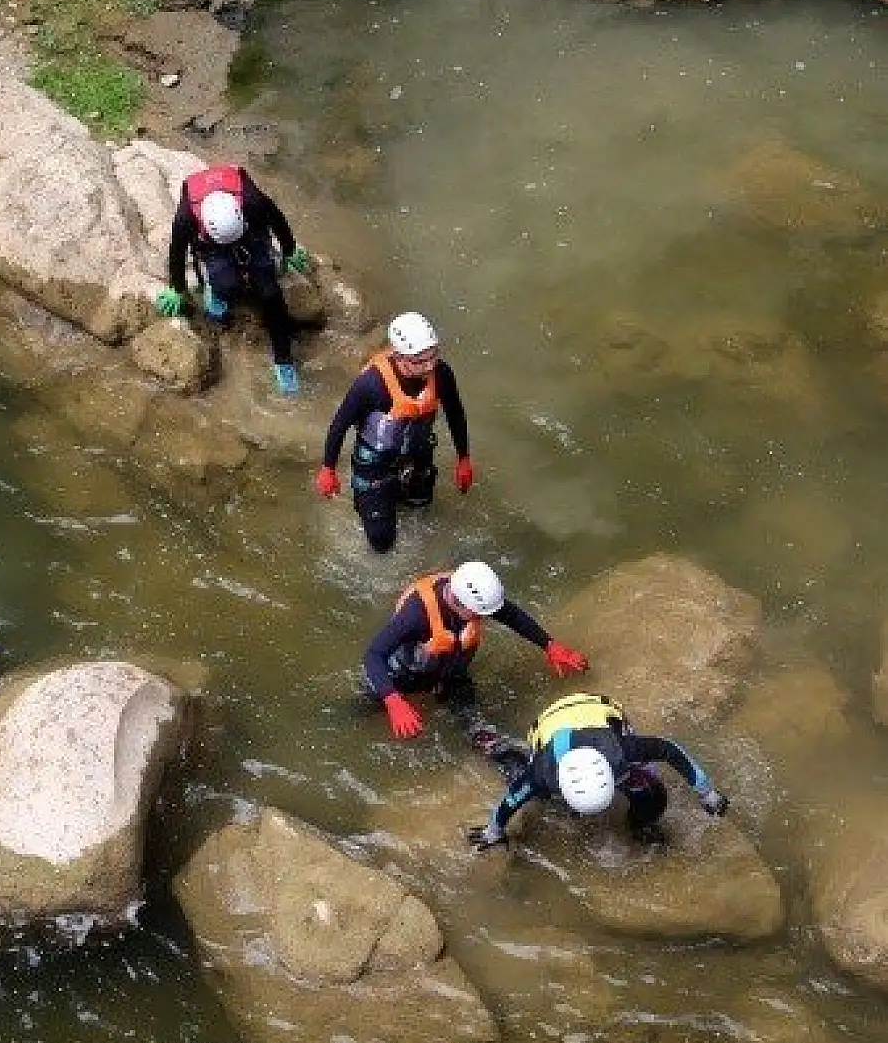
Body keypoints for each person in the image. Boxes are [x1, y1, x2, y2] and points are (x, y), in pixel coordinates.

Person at [362, 561, 589, 749]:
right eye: (479, 614)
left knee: (476, 724)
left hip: (452, 671)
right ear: (457, 601)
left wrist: (548, 645)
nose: (482, 619)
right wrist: (392, 700)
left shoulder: (472, 595)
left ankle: (498, 750)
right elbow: (373, 654)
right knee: (365, 710)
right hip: (406, 671)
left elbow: (511, 615)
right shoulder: (416, 614)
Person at [467, 692, 731, 850]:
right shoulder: (541, 773)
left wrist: (707, 792)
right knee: (539, 797)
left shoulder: (623, 751)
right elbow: (511, 800)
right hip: (548, 722)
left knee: (652, 795)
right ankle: (497, 747)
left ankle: (640, 827)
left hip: (600, 708)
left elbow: (670, 749)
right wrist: (493, 832)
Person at [315, 312, 471, 553]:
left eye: (433, 356)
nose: (429, 366)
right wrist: (328, 469)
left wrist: (463, 458)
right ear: (399, 357)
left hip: (418, 453)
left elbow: (455, 414)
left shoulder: (440, 374)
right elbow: (339, 425)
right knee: (381, 542)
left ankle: (401, 493)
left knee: (421, 510)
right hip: (374, 461)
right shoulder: (371, 385)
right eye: (420, 360)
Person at [153, 164, 313, 396]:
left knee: (270, 293)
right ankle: (216, 288)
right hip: (212, 244)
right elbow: (177, 251)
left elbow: (277, 218)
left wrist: (288, 249)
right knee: (226, 284)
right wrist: (178, 288)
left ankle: (284, 362)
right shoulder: (187, 217)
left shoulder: (252, 201)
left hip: (248, 233)